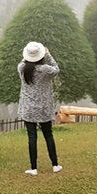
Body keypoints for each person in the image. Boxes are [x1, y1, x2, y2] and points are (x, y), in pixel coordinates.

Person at [17, 41, 62, 176]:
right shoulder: (46, 70)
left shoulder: (21, 68)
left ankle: (34, 168)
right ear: (41, 56)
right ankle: (55, 165)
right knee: (48, 135)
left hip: (28, 108)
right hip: (43, 108)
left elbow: (24, 61)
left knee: (32, 137)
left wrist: (29, 55)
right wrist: (48, 55)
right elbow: (56, 69)